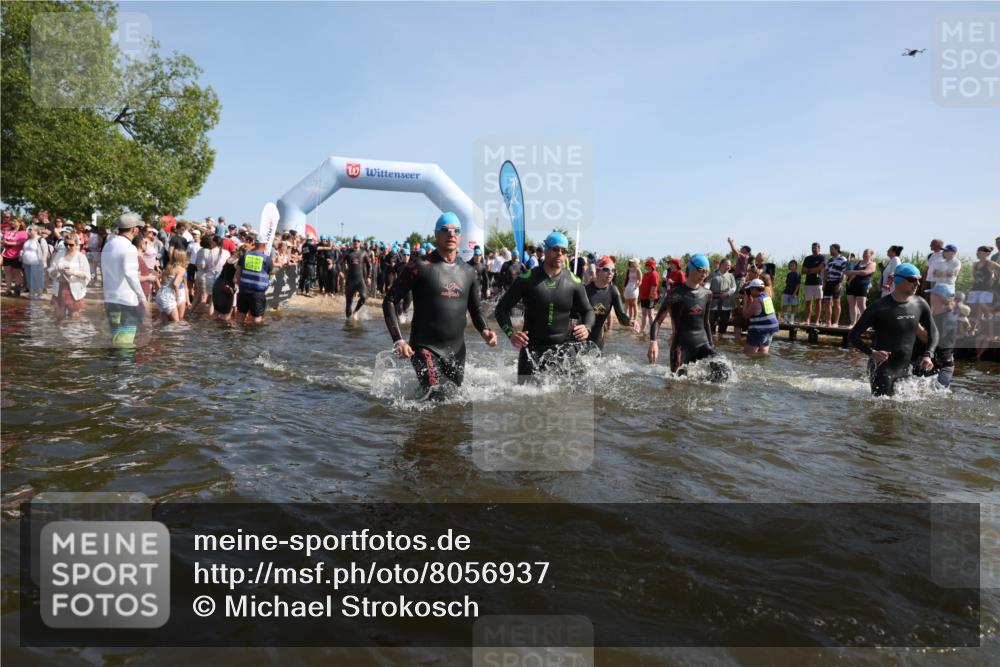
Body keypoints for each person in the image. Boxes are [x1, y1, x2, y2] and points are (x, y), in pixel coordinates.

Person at [383, 212, 497, 395]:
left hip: (457, 351)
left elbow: (476, 310)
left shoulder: (469, 272)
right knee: (436, 394)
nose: (451, 234)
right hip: (424, 347)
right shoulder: (419, 266)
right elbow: (389, 301)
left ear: (460, 236)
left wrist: (485, 330)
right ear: (436, 235)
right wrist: (398, 340)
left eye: (456, 231)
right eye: (445, 230)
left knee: (452, 402)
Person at [495, 231, 594, 383]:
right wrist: (511, 334)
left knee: (563, 402)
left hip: (563, 352)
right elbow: (501, 309)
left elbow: (588, 311)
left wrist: (586, 327)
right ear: (546, 249)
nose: (559, 254)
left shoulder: (573, 281)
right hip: (531, 352)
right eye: (555, 249)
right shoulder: (527, 279)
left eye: (564, 251)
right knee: (525, 402)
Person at [849, 263, 936, 397]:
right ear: (898, 280)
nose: (917, 284)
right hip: (882, 368)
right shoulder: (879, 307)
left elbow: (933, 332)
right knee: (881, 411)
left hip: (906, 368)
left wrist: (928, 355)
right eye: (912, 280)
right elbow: (853, 336)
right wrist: (871, 353)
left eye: (919, 279)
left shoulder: (920, 303)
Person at [648, 254, 726, 379]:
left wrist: (711, 345)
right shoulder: (676, 294)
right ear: (691, 269)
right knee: (675, 384)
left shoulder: (707, 294)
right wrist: (653, 342)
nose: (704, 274)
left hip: (702, 345)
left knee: (723, 369)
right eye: (701, 270)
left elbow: (706, 323)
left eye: (707, 271)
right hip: (681, 348)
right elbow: (657, 321)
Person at [102, 214, 148, 347]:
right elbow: (130, 274)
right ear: (134, 229)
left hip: (110, 300)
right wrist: (142, 298)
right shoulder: (129, 248)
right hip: (126, 303)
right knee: (125, 345)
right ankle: (125, 368)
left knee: (116, 340)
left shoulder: (108, 245)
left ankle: (114, 367)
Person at [585, 256, 636, 350]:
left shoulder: (613, 291)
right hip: (581, 336)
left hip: (598, 338)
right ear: (597, 271)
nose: (610, 273)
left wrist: (629, 321)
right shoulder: (585, 290)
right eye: (606, 269)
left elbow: (621, 315)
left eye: (613, 270)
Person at [48, 231, 89, 319]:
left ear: (77, 244)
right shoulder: (59, 255)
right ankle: (59, 332)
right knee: (58, 315)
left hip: (75, 288)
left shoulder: (81, 257)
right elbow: (50, 272)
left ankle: (73, 332)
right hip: (60, 288)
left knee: (74, 316)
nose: (68, 247)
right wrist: (56, 270)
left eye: (71, 245)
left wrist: (73, 272)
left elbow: (86, 275)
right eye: (66, 244)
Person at [234, 240, 274, 324]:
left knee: (240, 316)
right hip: (257, 293)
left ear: (255, 244)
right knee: (257, 318)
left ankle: (238, 335)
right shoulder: (267, 259)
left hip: (244, 290)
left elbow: (237, 274)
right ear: (264, 245)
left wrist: (240, 286)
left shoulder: (245, 256)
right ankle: (255, 336)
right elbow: (272, 272)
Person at [742, 278, 780, 355]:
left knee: (747, 356)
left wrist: (745, 300)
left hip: (758, 332)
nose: (749, 291)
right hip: (769, 332)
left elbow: (745, 315)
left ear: (754, 289)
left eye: (750, 289)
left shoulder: (757, 301)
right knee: (762, 357)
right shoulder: (767, 298)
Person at [968, 246, 1000, 327]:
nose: (977, 254)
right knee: (972, 311)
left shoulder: (991, 264)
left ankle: (988, 328)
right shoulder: (975, 264)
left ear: (987, 254)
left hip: (986, 290)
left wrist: (996, 277)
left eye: (980, 252)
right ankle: (973, 329)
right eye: (977, 252)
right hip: (975, 289)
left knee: (983, 310)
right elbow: (974, 278)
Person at [341, 235, 371, 319]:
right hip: (350, 281)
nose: (356, 242)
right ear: (352, 242)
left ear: (360, 242)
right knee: (348, 304)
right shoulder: (347, 252)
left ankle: (356, 311)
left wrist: (369, 277)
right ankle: (348, 322)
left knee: (364, 297)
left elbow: (369, 265)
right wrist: (340, 271)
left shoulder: (363, 253)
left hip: (360, 280)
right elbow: (339, 262)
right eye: (354, 241)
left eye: (358, 241)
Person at [844, 248, 875, 327]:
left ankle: (867, 324)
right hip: (851, 285)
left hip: (862, 285)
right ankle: (853, 323)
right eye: (864, 252)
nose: (864, 254)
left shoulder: (872, 264)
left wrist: (852, 272)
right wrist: (849, 276)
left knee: (862, 306)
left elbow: (865, 272)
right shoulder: (858, 262)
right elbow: (850, 271)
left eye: (866, 253)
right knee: (852, 305)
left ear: (871, 255)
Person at [927, 244, 961, 315]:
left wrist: (940, 273)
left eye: (946, 251)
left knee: (947, 307)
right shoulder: (942, 262)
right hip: (938, 286)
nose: (943, 252)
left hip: (948, 287)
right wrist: (943, 273)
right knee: (935, 308)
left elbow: (951, 273)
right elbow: (934, 273)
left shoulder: (956, 262)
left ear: (953, 253)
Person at [155, 250, 188, 322]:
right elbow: (175, 284)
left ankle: (157, 332)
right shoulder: (182, 270)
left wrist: (159, 288)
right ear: (183, 258)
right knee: (176, 323)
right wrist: (177, 297)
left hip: (161, 294)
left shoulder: (169, 267)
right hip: (168, 297)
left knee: (165, 322)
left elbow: (157, 278)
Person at [820, 243, 848, 326]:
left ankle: (836, 322)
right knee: (827, 302)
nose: (830, 251)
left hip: (837, 281)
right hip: (829, 282)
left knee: (836, 302)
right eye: (830, 249)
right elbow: (826, 271)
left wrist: (840, 283)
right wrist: (824, 283)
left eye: (831, 249)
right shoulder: (830, 260)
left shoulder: (843, 259)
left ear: (836, 249)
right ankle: (828, 321)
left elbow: (844, 272)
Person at [709, 258, 737, 338]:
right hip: (713, 302)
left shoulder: (731, 276)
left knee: (723, 324)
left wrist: (727, 294)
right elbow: (707, 285)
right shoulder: (712, 274)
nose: (729, 267)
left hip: (726, 303)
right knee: (711, 324)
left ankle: (721, 341)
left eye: (729, 265)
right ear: (721, 264)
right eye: (727, 265)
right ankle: (712, 340)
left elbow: (733, 288)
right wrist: (708, 292)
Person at [20, 226, 50, 300]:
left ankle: (39, 294)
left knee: (38, 279)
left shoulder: (41, 239)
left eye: (30, 230)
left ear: (36, 231)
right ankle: (31, 293)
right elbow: (24, 249)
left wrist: (42, 262)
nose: (28, 231)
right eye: (28, 230)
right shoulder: (28, 239)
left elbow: (45, 251)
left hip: (37, 263)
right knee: (29, 278)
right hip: (27, 263)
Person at [2, 217, 28, 297]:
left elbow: (20, 243)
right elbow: (3, 240)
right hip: (6, 254)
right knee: (7, 272)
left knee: (17, 272)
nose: (13, 222)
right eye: (12, 221)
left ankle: (17, 290)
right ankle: (8, 290)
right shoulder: (8, 231)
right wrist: (4, 242)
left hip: (17, 255)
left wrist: (8, 243)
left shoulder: (23, 232)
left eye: (15, 221)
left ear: (20, 223)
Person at [801, 242, 825, 325]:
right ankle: (807, 320)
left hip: (818, 283)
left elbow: (820, 268)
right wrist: (813, 270)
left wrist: (809, 270)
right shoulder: (807, 258)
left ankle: (817, 320)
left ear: (819, 248)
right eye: (812, 248)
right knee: (808, 302)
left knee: (818, 301)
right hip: (808, 283)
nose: (813, 249)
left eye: (815, 248)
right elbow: (803, 271)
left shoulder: (822, 257)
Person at [638, 259, 659, 334]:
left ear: (651, 266)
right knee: (643, 314)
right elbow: (642, 285)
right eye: (646, 265)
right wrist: (640, 295)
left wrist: (651, 294)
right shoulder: (646, 274)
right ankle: (643, 329)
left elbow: (654, 285)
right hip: (644, 297)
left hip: (650, 297)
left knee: (650, 314)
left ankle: (653, 330)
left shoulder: (654, 273)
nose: (646, 266)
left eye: (647, 265)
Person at [622, 258, 642, 324]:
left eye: (633, 262)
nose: (631, 263)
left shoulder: (638, 270)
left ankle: (635, 318)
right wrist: (624, 287)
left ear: (636, 263)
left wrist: (636, 286)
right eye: (630, 262)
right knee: (629, 304)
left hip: (634, 287)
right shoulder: (629, 270)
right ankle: (630, 318)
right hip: (628, 286)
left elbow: (640, 280)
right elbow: (626, 279)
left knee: (634, 303)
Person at [782, 259, 801, 324]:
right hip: (786, 292)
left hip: (794, 293)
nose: (792, 266)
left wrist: (795, 293)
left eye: (793, 265)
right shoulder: (789, 274)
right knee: (785, 304)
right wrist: (784, 290)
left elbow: (798, 284)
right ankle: (785, 318)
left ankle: (792, 319)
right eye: (790, 265)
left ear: (796, 266)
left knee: (793, 305)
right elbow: (787, 283)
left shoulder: (797, 274)